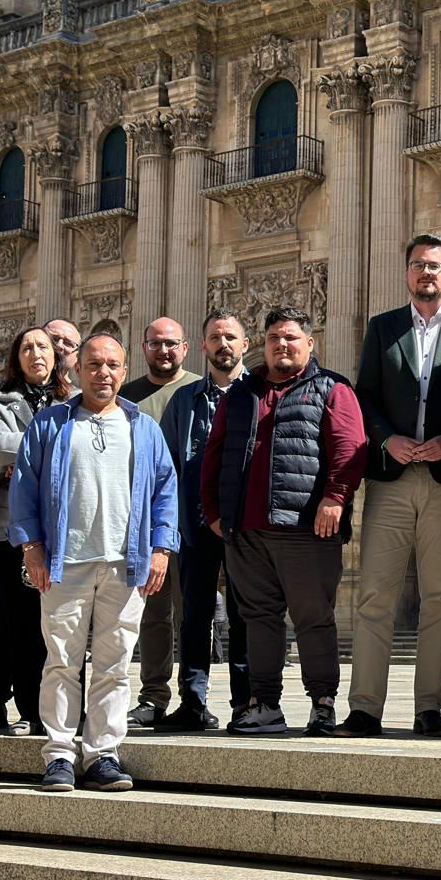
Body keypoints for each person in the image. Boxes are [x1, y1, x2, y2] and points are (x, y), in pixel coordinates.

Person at [9, 334, 179, 792]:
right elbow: (23, 489)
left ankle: (103, 752)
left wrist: (161, 549)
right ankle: (60, 754)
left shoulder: (143, 427)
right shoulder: (50, 424)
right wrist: (32, 548)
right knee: (62, 661)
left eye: (112, 365)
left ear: (124, 372)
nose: (103, 372)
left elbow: (165, 490)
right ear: (76, 371)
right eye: (94, 364)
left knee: (114, 663)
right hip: (67, 564)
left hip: (127, 564)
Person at [337, 235, 441, 738]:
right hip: (393, 478)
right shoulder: (383, 329)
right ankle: (365, 708)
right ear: (407, 274)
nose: (427, 274)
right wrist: (387, 438)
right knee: (376, 593)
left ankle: (429, 707)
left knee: (439, 597)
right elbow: (365, 396)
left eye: (436, 266)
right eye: (419, 266)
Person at [199, 307, 367, 737]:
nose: (281, 345)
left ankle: (323, 704)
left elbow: (350, 449)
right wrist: (215, 512)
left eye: (291, 337)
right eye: (274, 338)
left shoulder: (332, 388)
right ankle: (265, 704)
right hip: (247, 530)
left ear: (310, 343)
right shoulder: (241, 394)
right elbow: (214, 454)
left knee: (313, 617)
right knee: (258, 618)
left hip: (306, 527)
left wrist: (335, 497)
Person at [0, 326, 68, 733]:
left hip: (57, 531)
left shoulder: (73, 401)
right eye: (27, 347)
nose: (35, 353)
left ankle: (41, 706)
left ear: (56, 356)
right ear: (16, 357)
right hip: (1, 529)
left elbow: (74, 452)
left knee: (47, 621)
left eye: (42, 346)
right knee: (4, 619)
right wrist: (47, 458)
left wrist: (22, 465)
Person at [157, 309, 253, 730]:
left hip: (247, 526)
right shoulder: (184, 400)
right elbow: (165, 465)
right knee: (194, 615)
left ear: (244, 344)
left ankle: (246, 702)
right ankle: (193, 702)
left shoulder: (260, 393)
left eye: (230, 336)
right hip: (195, 525)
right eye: (215, 337)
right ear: (203, 346)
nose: (223, 344)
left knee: (245, 612)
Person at [120, 317, 202, 728]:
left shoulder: (199, 389)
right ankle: (153, 695)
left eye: (171, 343)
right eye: (156, 343)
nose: (164, 351)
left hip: (191, 518)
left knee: (192, 613)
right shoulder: (125, 396)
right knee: (153, 614)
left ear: (185, 348)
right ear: (143, 346)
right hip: (143, 524)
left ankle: (194, 696)